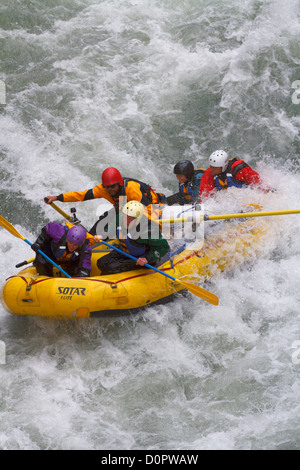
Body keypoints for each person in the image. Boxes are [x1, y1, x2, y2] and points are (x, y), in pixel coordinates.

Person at [45, 167, 164, 234]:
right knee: (104, 220)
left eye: (113, 186)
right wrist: (57, 198)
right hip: (126, 208)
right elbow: (81, 195)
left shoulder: (132, 189)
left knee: (140, 224)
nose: (110, 189)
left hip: (151, 206)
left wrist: (157, 227)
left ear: (119, 184)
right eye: (107, 187)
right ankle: (89, 242)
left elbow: (148, 209)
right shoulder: (103, 189)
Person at [95, 200, 169, 275]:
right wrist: (102, 235)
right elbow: (111, 228)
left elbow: (164, 247)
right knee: (101, 263)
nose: (126, 220)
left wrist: (147, 258)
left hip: (140, 257)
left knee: (111, 268)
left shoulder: (148, 230)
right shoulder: (121, 217)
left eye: (131, 218)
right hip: (124, 251)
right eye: (125, 216)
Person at [198, 150, 265, 201]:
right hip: (227, 203)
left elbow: (258, 183)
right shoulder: (210, 172)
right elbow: (204, 195)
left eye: (215, 167)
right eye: (211, 166)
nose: (211, 169)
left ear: (223, 166)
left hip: (247, 199)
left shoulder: (239, 168)